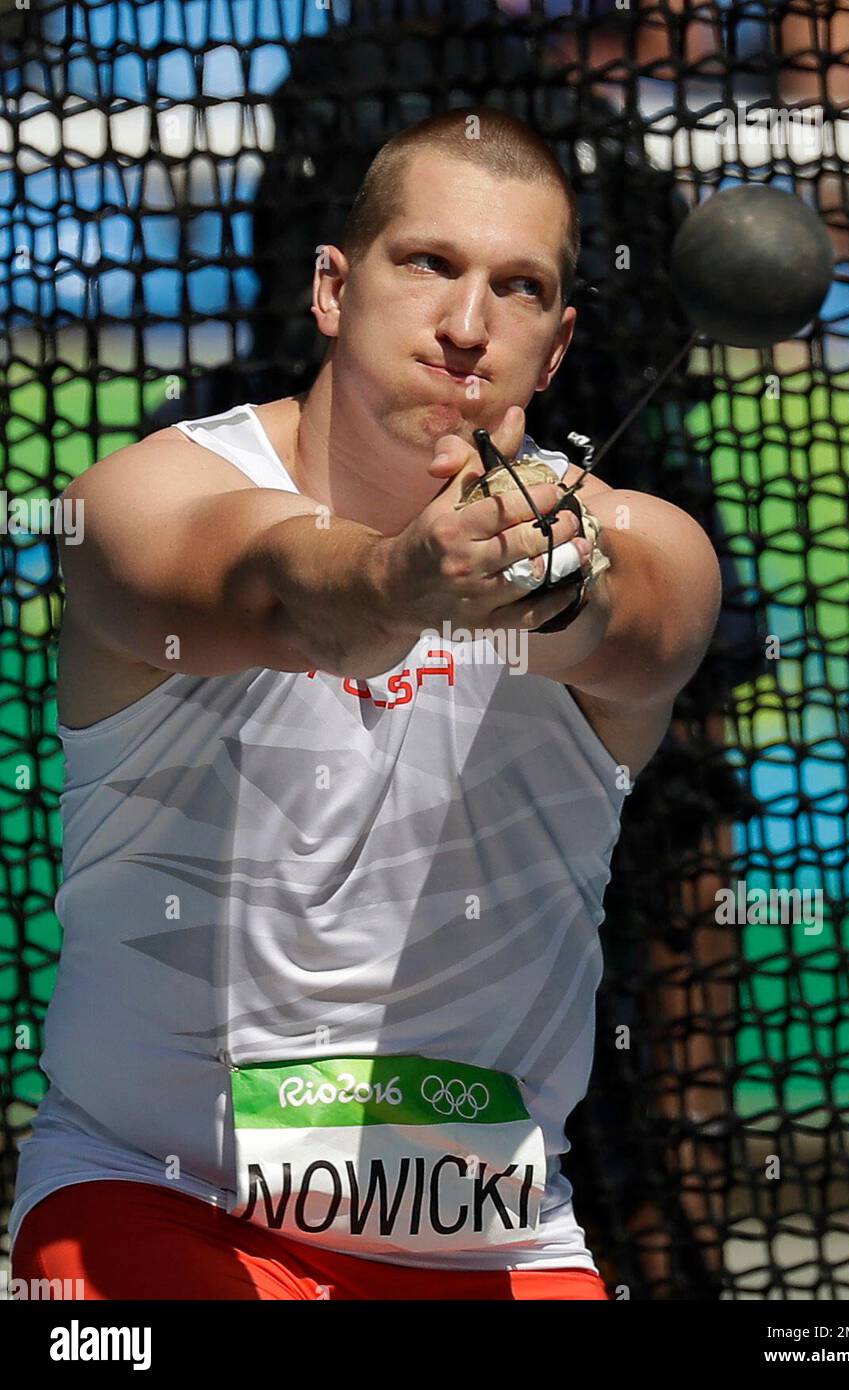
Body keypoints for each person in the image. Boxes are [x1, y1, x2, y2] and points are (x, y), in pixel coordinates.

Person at [9, 106, 721, 1300]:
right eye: (429, 263)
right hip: (154, 1202)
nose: (464, 324)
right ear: (333, 289)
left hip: (500, 1243)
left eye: (519, 287)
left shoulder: (646, 544)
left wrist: (551, 596)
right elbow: (279, 589)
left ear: (556, 350)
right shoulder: (143, 497)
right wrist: (409, 576)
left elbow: (636, 623)